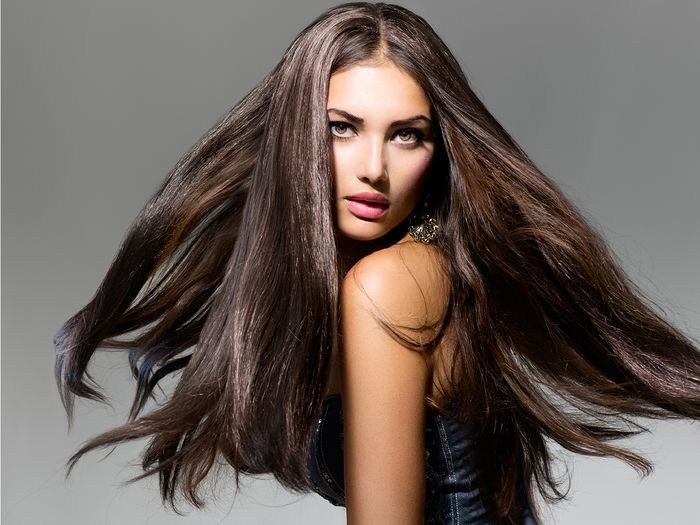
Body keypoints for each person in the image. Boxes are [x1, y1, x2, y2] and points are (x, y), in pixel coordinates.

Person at [53, 2, 700, 524]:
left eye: (406, 134)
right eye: (343, 127)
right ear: (298, 134)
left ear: (438, 151)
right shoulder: (351, 286)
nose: (373, 167)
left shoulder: (387, 285)